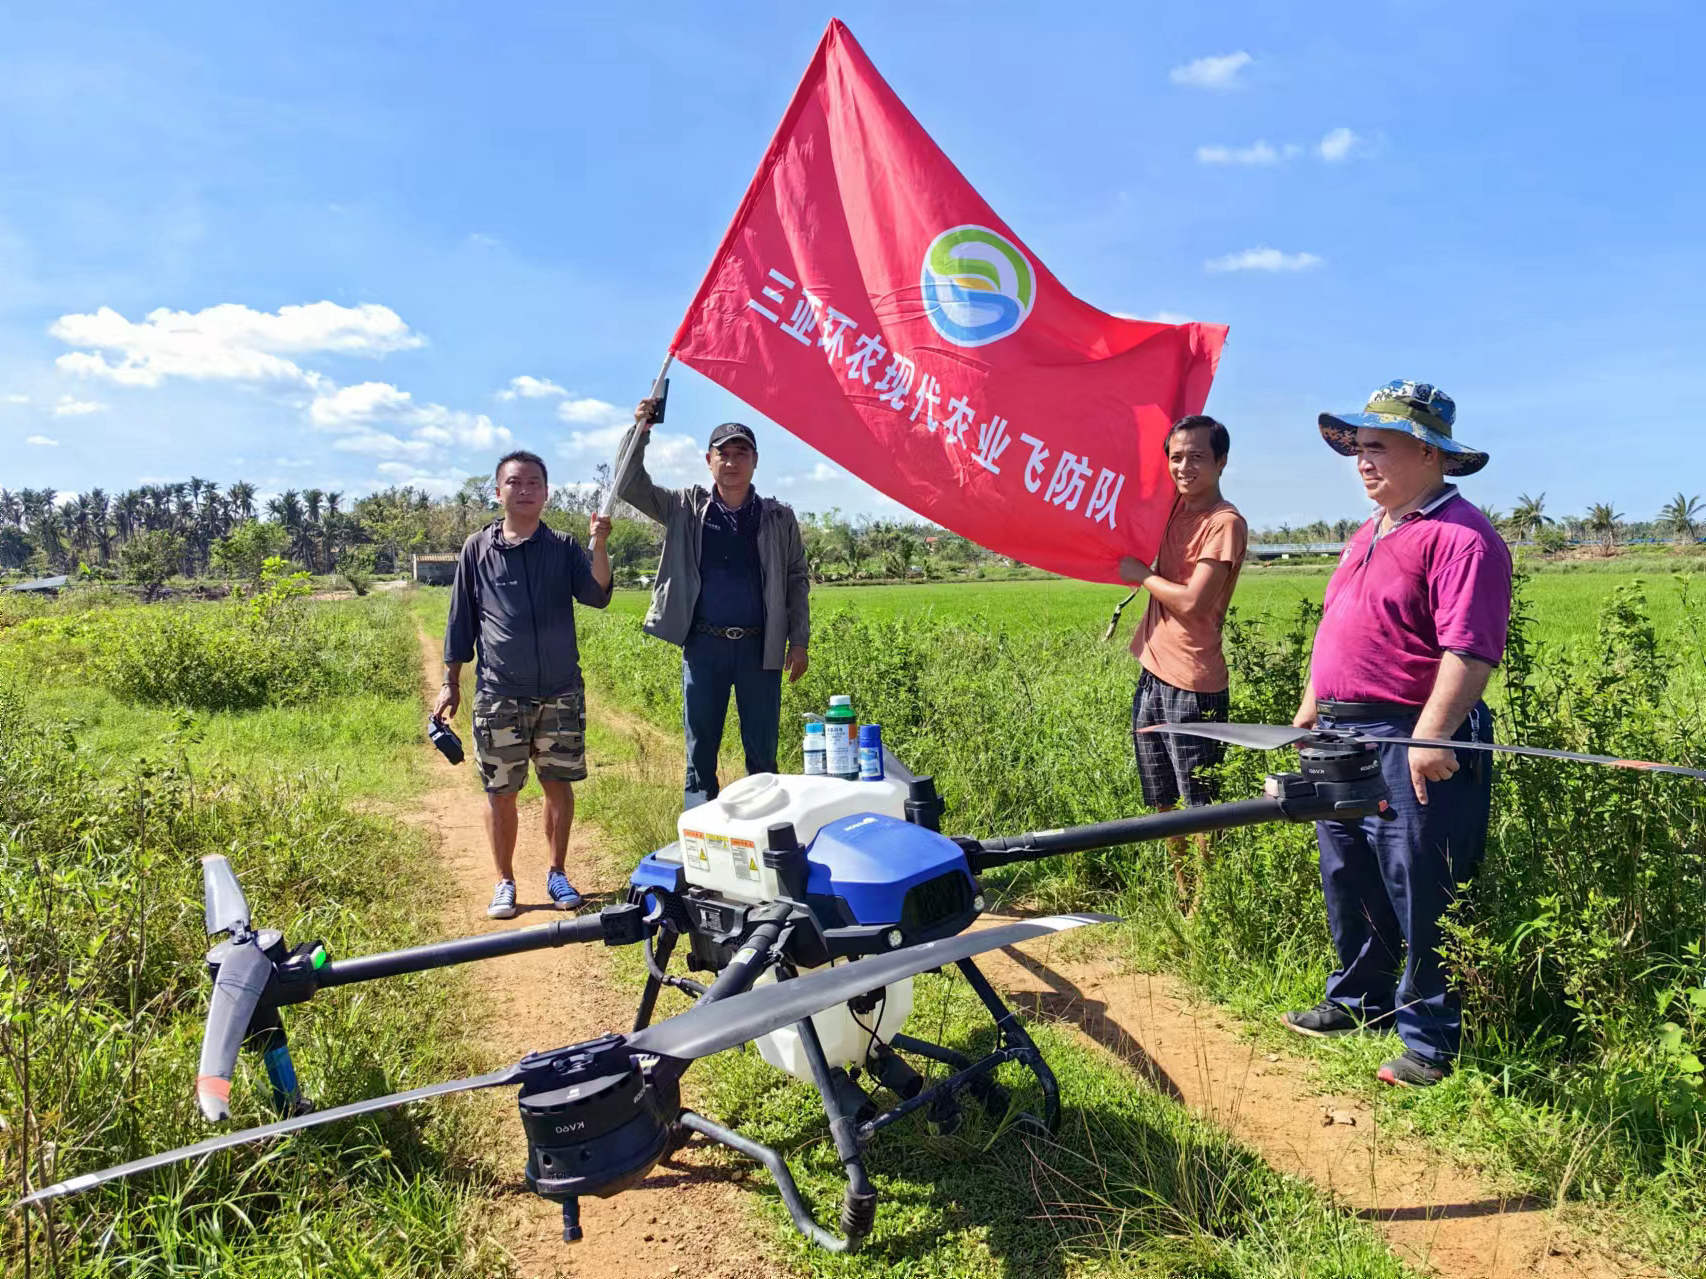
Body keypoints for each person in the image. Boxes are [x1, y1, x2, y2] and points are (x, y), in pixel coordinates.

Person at [1284, 380, 1511, 1088]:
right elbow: (1341, 624)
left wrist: (1434, 733)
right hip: (1343, 735)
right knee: (1351, 874)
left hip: (1413, 736)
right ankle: (1359, 1000)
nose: (1361, 459)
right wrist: (1311, 700)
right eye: (1357, 446)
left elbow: (1469, 649)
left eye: (1377, 446)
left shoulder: (1462, 536)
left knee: (1423, 882)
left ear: (1428, 453)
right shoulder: (1372, 531)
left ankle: (1430, 1040)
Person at [435, 450, 613, 920]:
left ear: (546, 492)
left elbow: (596, 595)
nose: (525, 489)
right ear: (499, 491)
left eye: (534, 482)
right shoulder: (478, 548)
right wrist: (450, 682)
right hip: (499, 692)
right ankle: (505, 881)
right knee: (501, 791)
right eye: (515, 482)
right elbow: (461, 620)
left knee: (558, 783)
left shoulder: (563, 546)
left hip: (559, 690)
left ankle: (557, 872)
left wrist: (598, 544)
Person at [617, 402, 810, 808]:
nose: (732, 461)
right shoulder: (685, 507)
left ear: (755, 461)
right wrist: (641, 428)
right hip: (704, 648)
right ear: (709, 461)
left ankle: (764, 839)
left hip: (762, 649)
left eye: (742, 453)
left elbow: (795, 579)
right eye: (723, 453)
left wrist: (799, 641)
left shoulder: (778, 517)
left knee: (762, 756)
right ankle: (700, 844)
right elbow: (629, 484)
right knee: (700, 754)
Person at [1119, 415, 1248, 908]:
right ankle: (1183, 895)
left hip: (1193, 682)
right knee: (1161, 798)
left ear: (1221, 462)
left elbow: (1194, 602)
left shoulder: (1224, 523)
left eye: (1197, 456)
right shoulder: (1171, 509)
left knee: (1200, 805)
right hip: (1152, 674)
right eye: (1176, 456)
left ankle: (1208, 907)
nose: (1184, 466)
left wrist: (1141, 575)